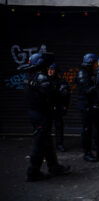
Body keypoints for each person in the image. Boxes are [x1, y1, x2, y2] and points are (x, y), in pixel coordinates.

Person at [23, 53, 70, 182]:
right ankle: (33, 172)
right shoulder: (42, 78)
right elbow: (53, 95)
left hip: (36, 113)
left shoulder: (30, 76)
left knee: (46, 141)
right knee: (39, 143)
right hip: (41, 115)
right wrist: (62, 90)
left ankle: (54, 167)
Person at [76, 53, 99, 162]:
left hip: (93, 105)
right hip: (86, 106)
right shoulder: (82, 74)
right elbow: (87, 91)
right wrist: (98, 84)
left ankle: (97, 148)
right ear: (91, 62)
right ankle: (87, 153)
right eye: (95, 62)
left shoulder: (90, 72)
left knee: (97, 128)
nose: (97, 64)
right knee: (87, 130)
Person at [48, 63, 70, 152]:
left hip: (57, 107)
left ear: (56, 71)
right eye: (49, 69)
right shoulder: (45, 80)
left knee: (59, 126)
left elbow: (67, 96)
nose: (50, 71)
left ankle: (59, 144)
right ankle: (46, 145)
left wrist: (65, 106)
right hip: (47, 107)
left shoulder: (62, 81)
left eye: (52, 69)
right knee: (45, 127)